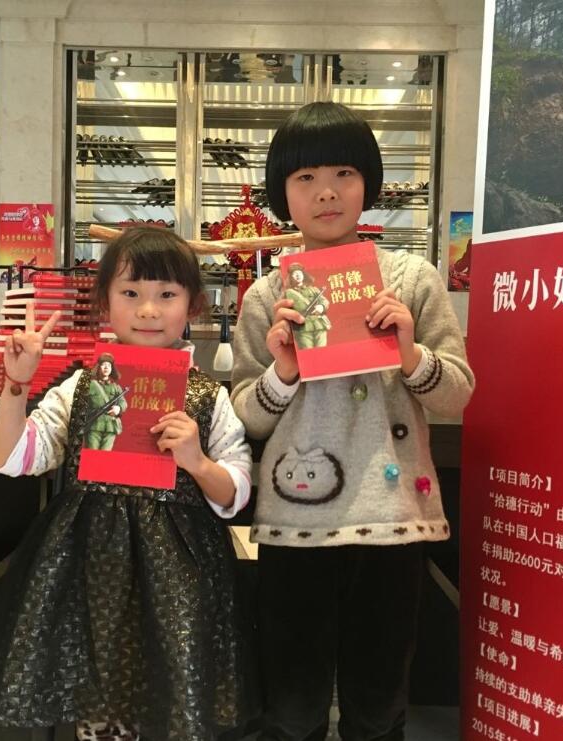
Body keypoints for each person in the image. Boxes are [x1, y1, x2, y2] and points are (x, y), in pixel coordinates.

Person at [230, 101, 475, 741]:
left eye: (344, 172)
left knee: (378, 702)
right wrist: (283, 371)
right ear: (282, 193)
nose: (327, 192)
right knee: (292, 706)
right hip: (295, 521)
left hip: (392, 518)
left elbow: (457, 395)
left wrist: (410, 353)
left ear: (369, 182)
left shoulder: (411, 280)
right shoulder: (266, 296)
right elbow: (246, 416)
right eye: (305, 177)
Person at [0, 226, 256, 741]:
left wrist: (197, 462)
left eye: (166, 295)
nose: (148, 310)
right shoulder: (81, 387)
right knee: (102, 694)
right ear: (105, 303)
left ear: (193, 305)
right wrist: (16, 384)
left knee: (176, 690)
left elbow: (235, 491)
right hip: (93, 569)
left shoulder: (207, 396)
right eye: (130, 293)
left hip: (180, 576)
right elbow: (13, 458)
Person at [85, 352, 126, 450]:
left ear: (112, 369)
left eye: (109, 365)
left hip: (110, 426)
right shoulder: (90, 385)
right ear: (98, 367)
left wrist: (118, 408)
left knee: (105, 455)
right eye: (103, 365)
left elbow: (123, 402)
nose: (106, 367)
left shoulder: (115, 387)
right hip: (94, 424)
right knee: (92, 453)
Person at [284, 262, 331, 348]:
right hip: (303, 328)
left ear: (303, 275)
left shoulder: (313, 290)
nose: (298, 275)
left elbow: (324, 301)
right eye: (295, 273)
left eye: (299, 273)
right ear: (290, 277)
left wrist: (321, 306)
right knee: (308, 353)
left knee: (323, 351)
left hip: (319, 324)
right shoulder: (288, 293)